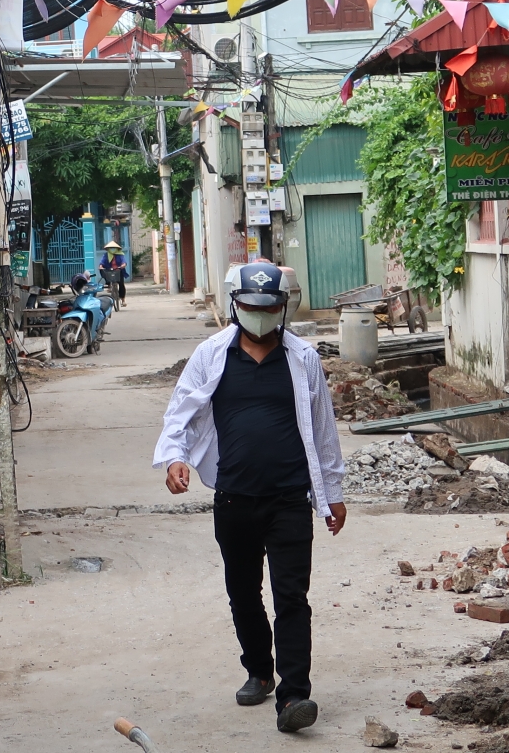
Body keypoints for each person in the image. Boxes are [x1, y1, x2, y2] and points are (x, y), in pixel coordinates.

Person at [152, 261, 346, 734]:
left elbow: (323, 430)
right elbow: (180, 412)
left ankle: (294, 696)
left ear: (284, 308)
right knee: (243, 593)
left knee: (292, 597)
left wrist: (333, 493)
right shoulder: (210, 355)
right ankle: (259, 670)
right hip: (234, 497)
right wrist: (175, 459)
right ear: (235, 305)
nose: (260, 315)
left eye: (270, 307)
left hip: (288, 499)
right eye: (250, 307)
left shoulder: (303, 360)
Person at [99, 241, 128, 307]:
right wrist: (101, 266)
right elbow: (102, 263)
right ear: (108, 249)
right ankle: (108, 284)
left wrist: (123, 265)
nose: (112, 249)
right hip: (109, 270)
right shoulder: (106, 255)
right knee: (102, 271)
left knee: (121, 284)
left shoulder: (120, 255)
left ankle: (123, 300)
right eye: (111, 248)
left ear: (117, 248)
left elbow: (124, 262)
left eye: (114, 248)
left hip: (118, 270)